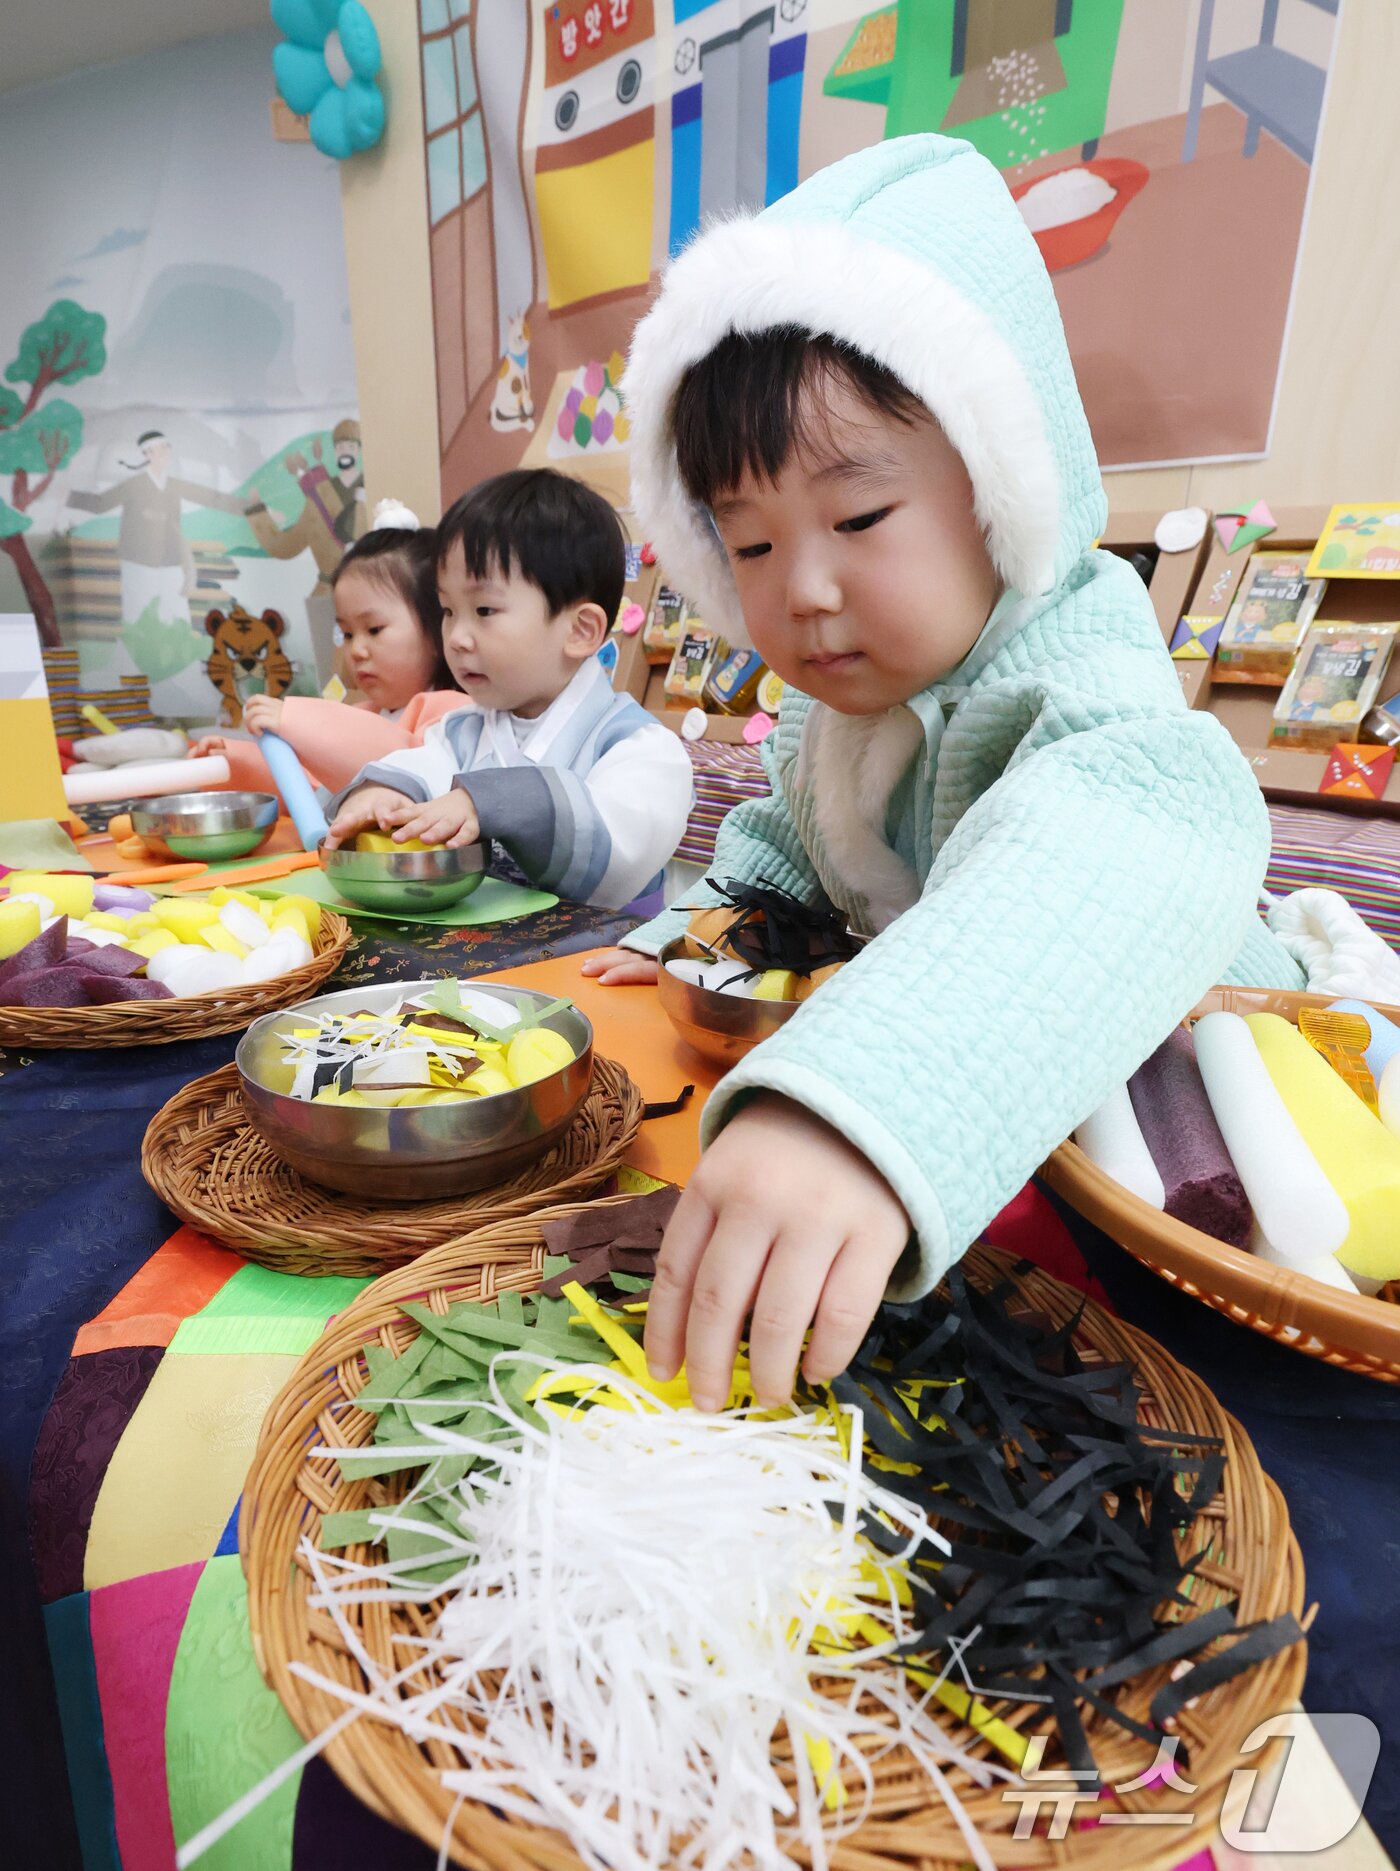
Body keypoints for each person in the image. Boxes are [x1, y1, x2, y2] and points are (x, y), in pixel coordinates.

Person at [582, 134, 1306, 1411]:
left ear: (1000, 484)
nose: (801, 590)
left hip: (1218, 1101)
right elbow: (788, 835)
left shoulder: (1072, 654)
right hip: (1011, 1150)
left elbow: (1129, 836)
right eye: (745, 542)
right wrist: (703, 924)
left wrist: (862, 1101)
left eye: (858, 519)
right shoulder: (839, 711)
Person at [323, 468, 694, 910]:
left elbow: (614, 860)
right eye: (447, 610)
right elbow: (419, 768)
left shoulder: (640, 747)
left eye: (483, 609)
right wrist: (384, 798)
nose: (457, 637)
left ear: (579, 630)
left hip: (599, 963)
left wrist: (493, 802)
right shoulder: (461, 732)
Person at [190, 505, 464, 795]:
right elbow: (311, 782)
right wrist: (233, 762)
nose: (356, 650)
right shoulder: (363, 714)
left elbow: (402, 766)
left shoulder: (454, 714)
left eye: (374, 629)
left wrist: (298, 720)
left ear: (437, 631)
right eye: (346, 634)